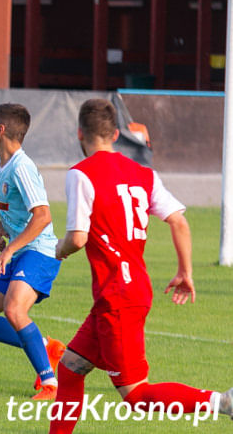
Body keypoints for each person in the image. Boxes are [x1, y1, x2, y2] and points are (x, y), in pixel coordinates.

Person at [49, 98, 233, 432]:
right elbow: (179, 221)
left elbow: (77, 238)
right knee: (70, 366)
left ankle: (222, 402)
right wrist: (185, 272)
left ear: (79, 133)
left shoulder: (81, 174)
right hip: (131, 288)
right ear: (117, 134)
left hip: (117, 295)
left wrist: (57, 250)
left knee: (135, 395)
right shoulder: (144, 174)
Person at [0, 103, 64, 401]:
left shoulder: (22, 167)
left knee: (15, 309)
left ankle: (50, 384)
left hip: (39, 252)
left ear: (2, 129)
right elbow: (16, 209)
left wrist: (9, 252)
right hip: (21, 251)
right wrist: (0, 227)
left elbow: (43, 215)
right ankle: (46, 347)